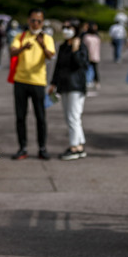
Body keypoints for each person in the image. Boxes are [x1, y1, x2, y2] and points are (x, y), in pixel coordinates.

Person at [9, 8, 56, 160]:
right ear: (29, 21)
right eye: (33, 20)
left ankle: (42, 147)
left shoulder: (47, 38)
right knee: (20, 116)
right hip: (20, 81)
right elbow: (12, 51)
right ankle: (22, 147)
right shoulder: (21, 36)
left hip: (38, 82)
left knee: (40, 117)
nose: (36, 23)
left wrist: (42, 45)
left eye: (39, 21)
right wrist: (23, 47)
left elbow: (50, 56)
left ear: (43, 22)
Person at [48, 20, 90, 161]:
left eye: (69, 28)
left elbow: (82, 65)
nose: (66, 30)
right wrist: (53, 83)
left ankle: (74, 147)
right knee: (70, 117)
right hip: (64, 85)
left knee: (73, 117)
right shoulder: (63, 46)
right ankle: (79, 146)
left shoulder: (80, 46)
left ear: (75, 30)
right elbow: (58, 66)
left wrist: (75, 50)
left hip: (76, 86)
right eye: (64, 27)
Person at [82, 22, 102, 92]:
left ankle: (88, 81)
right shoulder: (97, 38)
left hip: (89, 55)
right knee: (94, 69)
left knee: (87, 69)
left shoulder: (86, 37)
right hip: (95, 55)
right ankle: (96, 82)